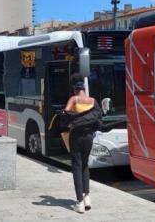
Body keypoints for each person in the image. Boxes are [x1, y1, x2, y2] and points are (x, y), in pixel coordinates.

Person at [61, 75, 102, 214]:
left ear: (74, 89)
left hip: (76, 136)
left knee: (76, 166)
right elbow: (99, 115)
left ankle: (79, 202)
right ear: (84, 88)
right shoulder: (93, 101)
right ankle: (87, 197)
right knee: (85, 165)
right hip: (89, 136)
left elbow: (65, 115)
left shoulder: (74, 99)